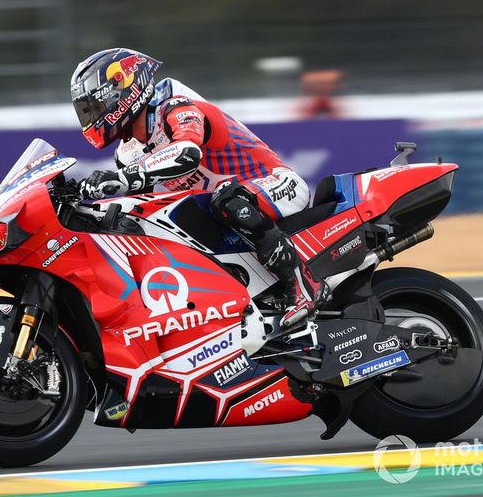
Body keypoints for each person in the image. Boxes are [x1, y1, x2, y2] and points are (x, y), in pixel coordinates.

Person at [70, 48, 322, 329]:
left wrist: (126, 177)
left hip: (276, 184)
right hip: (224, 214)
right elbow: (141, 207)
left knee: (227, 199)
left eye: (93, 106)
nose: (92, 115)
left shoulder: (175, 106)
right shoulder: (127, 153)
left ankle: (303, 287)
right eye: (86, 110)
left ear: (122, 88)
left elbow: (186, 152)